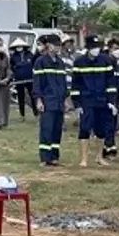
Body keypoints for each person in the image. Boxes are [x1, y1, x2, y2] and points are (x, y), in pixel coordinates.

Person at [73, 35, 119, 167]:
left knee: (101, 129)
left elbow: (111, 82)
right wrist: (77, 104)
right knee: (85, 129)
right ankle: (83, 159)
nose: (96, 50)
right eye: (93, 47)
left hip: (102, 100)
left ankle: (99, 157)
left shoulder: (106, 61)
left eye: (97, 47)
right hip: (86, 100)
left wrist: (111, 101)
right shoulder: (79, 62)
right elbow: (76, 85)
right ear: (87, 48)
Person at [33, 34, 70, 166]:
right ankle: (44, 157)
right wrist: (38, 100)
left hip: (59, 100)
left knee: (57, 129)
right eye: (56, 45)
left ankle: (54, 156)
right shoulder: (40, 62)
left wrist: (65, 99)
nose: (58, 48)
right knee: (46, 129)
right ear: (48, 45)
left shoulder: (60, 63)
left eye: (59, 45)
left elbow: (63, 83)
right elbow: (37, 83)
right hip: (47, 100)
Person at [9, 39, 36, 120]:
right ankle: (22, 115)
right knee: (21, 97)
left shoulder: (30, 54)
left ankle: (36, 113)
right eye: (17, 46)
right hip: (19, 79)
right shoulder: (14, 56)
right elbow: (11, 66)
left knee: (33, 96)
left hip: (29, 79)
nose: (19, 48)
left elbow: (33, 63)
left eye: (20, 46)